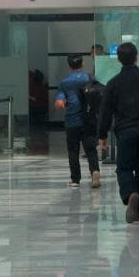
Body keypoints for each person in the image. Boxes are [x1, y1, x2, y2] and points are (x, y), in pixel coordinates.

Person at [98, 42, 139, 223]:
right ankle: (138, 208)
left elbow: (105, 112)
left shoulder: (113, 83)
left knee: (124, 168)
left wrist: (102, 136)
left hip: (125, 132)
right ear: (136, 57)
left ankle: (130, 194)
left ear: (119, 60)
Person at [55, 55, 101, 189]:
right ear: (82, 64)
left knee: (73, 151)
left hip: (72, 121)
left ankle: (75, 179)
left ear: (69, 66)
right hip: (89, 120)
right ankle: (95, 172)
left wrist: (63, 101)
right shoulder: (91, 78)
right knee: (91, 150)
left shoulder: (65, 82)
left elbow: (59, 103)